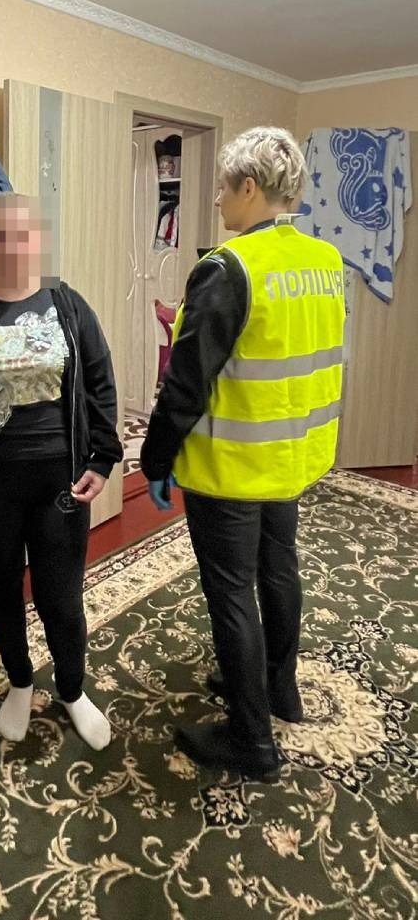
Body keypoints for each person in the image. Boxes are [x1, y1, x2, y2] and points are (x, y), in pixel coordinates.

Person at [141, 127, 345, 781]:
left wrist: (155, 459)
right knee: (278, 569)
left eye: (225, 188)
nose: (218, 200)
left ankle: (251, 739)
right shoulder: (324, 259)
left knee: (231, 592)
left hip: (231, 465)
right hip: (291, 455)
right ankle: (279, 689)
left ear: (249, 187)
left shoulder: (229, 267)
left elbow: (186, 383)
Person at [0, 193, 122, 750]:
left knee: (61, 595)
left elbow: (100, 380)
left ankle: (72, 689)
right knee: (1, 589)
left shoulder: (66, 303)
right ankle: (18, 681)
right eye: (0, 237)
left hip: (60, 481)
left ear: (39, 239)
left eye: (24, 235)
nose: (13, 247)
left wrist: (103, 458)